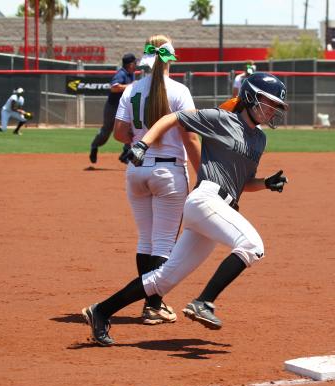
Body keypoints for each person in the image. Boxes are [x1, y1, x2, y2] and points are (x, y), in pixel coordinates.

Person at [82, 72, 289, 346]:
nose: (272, 109)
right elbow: (174, 118)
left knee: (162, 280)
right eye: (268, 102)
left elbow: (242, 184)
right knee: (252, 245)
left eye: (276, 106)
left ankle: (101, 311)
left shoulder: (259, 139)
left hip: (216, 209)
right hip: (206, 200)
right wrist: (143, 143)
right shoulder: (221, 118)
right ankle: (204, 302)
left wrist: (265, 183)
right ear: (249, 96)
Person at [110, 34, 201, 325]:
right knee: (162, 244)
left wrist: (139, 137)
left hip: (136, 171)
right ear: (171, 60)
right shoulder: (179, 91)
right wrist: (205, 174)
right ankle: (153, 305)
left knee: (146, 241)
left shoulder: (131, 90)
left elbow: (119, 133)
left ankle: (150, 302)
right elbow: (191, 138)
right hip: (169, 172)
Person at [89, 53, 137, 164]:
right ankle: (94, 146)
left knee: (131, 128)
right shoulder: (122, 74)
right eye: (135, 63)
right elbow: (114, 88)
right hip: (113, 106)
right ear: (130, 64)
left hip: (125, 107)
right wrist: (131, 86)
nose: (136, 65)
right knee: (106, 130)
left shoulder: (131, 74)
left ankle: (126, 153)